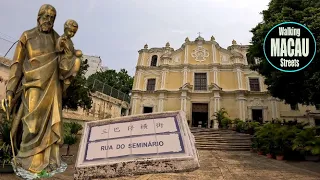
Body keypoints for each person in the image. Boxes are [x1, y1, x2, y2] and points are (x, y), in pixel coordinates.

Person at [5, 4, 79, 173]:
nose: (49, 21)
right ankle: (26, 161)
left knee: (49, 127)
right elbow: (16, 65)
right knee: (31, 126)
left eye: (52, 18)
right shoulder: (27, 36)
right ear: (38, 17)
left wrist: (71, 59)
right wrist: (9, 91)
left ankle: (47, 160)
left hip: (52, 87)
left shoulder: (57, 39)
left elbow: (63, 67)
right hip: (32, 87)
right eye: (45, 17)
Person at [56, 19, 82, 91]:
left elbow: (72, 50)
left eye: (74, 33)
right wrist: (61, 44)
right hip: (64, 59)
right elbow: (58, 49)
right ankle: (63, 76)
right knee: (73, 62)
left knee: (77, 61)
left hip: (71, 59)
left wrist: (76, 51)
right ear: (65, 29)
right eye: (70, 31)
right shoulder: (62, 39)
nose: (72, 34)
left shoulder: (70, 41)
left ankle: (69, 77)